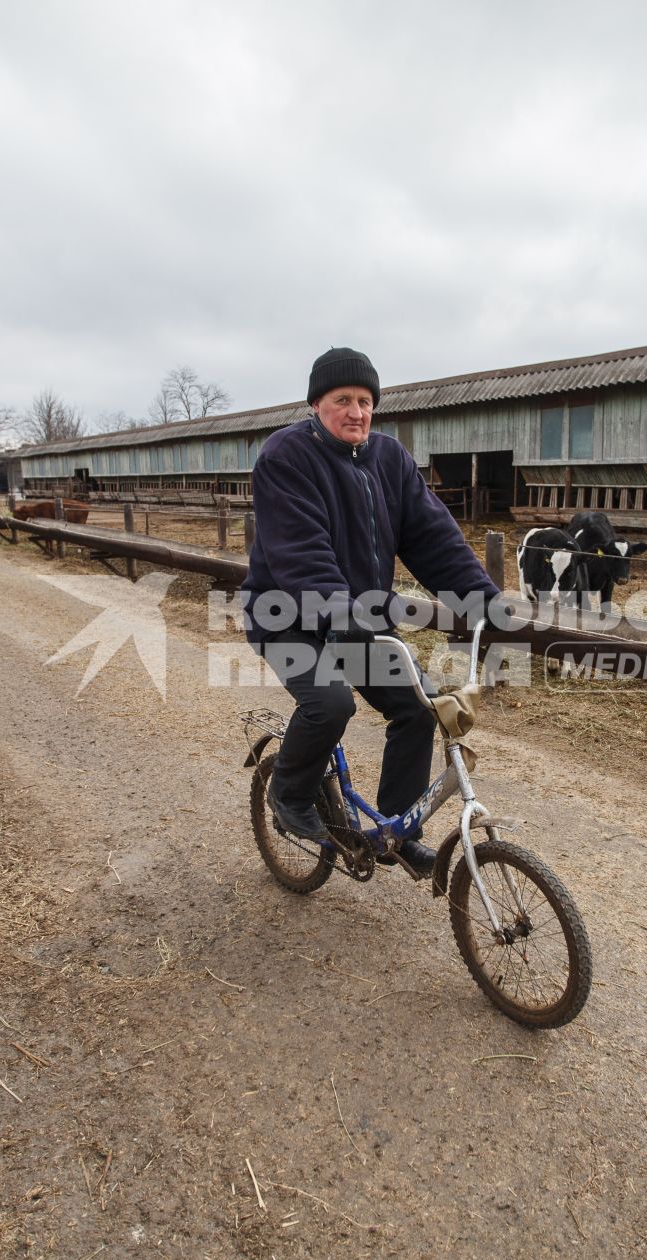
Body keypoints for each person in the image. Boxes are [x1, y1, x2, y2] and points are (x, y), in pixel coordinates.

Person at [241, 346, 500, 876]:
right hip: (287, 618)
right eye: (343, 400)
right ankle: (288, 794)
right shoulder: (285, 457)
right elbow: (300, 549)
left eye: (365, 400)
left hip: (357, 623)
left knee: (417, 705)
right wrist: (339, 612)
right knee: (330, 704)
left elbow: (432, 536)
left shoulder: (389, 459)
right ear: (317, 404)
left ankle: (397, 830)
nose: (356, 411)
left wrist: (480, 598)